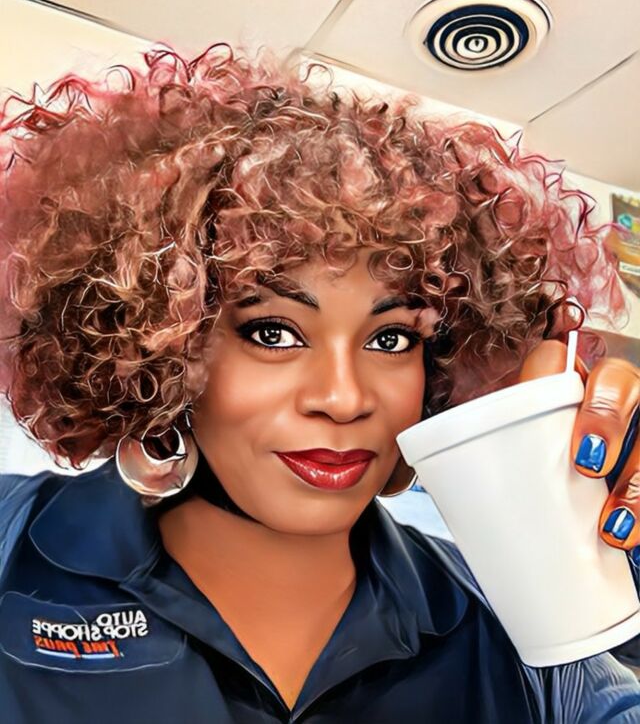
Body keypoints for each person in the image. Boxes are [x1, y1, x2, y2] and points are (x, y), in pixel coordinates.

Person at [1, 45, 639, 723]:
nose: (343, 398)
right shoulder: (14, 540)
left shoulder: (514, 620)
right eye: (274, 332)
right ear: (159, 345)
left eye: (391, 339)